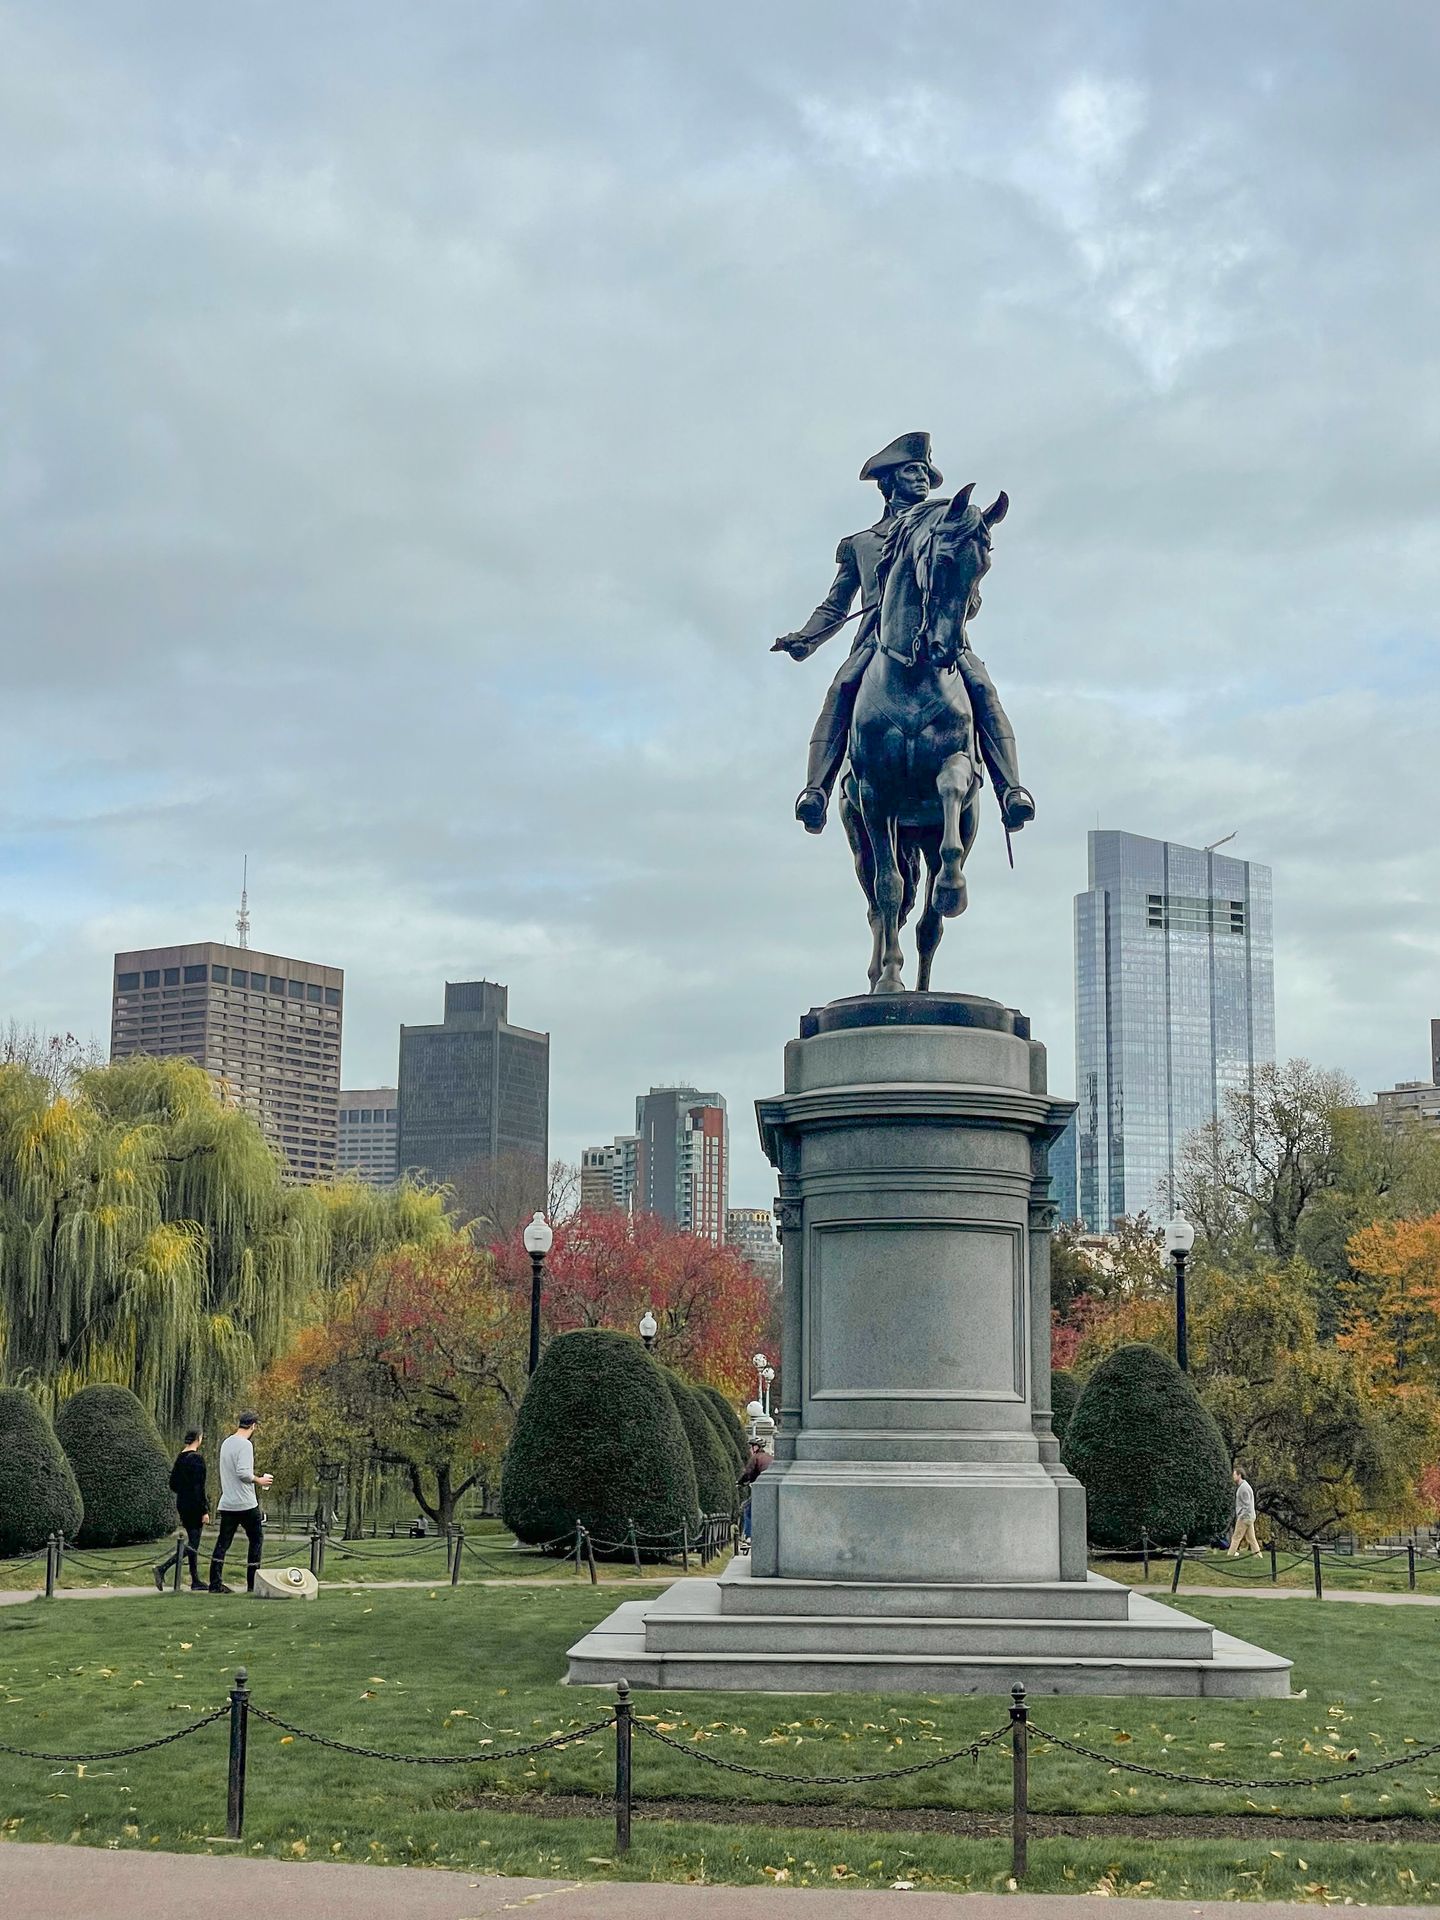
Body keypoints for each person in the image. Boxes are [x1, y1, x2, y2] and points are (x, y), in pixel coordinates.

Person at [772, 431, 1034, 839]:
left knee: (981, 686)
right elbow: (835, 605)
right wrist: (808, 638)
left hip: (941, 637)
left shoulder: (944, 527)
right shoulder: (861, 543)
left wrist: (965, 603)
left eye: (925, 472)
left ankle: (1011, 789)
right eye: (913, 471)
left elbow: (965, 585)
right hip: (878, 641)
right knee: (841, 688)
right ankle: (816, 791)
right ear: (889, 481)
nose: (923, 479)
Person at [207, 1411, 273, 1595]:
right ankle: (252, 1583)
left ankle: (215, 1582)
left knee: (223, 1543)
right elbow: (243, 1473)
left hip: (228, 1501)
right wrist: (259, 1480)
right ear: (253, 1426)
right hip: (245, 1502)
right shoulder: (245, 1445)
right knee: (256, 1540)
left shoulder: (227, 1442)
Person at [153, 1428, 209, 1592]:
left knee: (193, 1542)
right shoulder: (197, 1459)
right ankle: (163, 1568)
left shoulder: (180, 1459)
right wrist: (204, 1510)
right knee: (193, 1543)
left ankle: (195, 1579)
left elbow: (173, 1484)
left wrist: (184, 1491)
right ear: (198, 1439)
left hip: (183, 1503)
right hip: (195, 1505)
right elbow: (199, 1487)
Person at [738, 1439, 774, 1553]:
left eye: (751, 1447)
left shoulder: (756, 1457)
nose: (750, 1449)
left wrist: (740, 1482)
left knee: (748, 1509)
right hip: (774, 1489)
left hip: (763, 1488)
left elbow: (748, 1473)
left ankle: (749, 1537)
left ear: (756, 1448)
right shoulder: (771, 1458)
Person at [1228, 1466, 1261, 1557]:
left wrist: (1241, 1515)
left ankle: (1230, 1554)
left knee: (1236, 1537)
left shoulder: (1244, 1488)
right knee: (1251, 1538)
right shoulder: (1243, 1486)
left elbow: (1247, 1504)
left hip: (1245, 1517)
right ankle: (1258, 1555)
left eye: (1234, 1474)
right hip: (1249, 1516)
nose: (1233, 1476)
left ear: (1239, 1475)